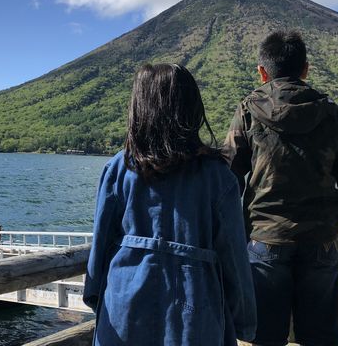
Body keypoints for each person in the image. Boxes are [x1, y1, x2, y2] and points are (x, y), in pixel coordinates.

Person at [224, 30, 338, 346]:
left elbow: (227, 180)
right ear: (305, 69)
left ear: (262, 72)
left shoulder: (249, 110)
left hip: (264, 240)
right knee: (321, 337)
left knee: (265, 338)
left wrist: (220, 242)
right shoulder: (330, 113)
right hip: (320, 241)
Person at [83, 63, 256, 345]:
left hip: (123, 306)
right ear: (191, 108)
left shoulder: (118, 168)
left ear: (139, 109)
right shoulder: (218, 177)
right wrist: (244, 321)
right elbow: (234, 258)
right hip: (195, 312)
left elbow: (100, 246)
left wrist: (94, 295)